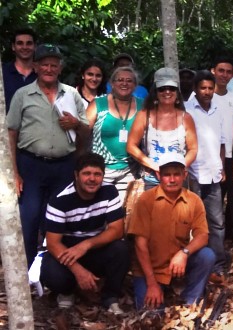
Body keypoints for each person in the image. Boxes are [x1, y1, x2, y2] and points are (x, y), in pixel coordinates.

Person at [8, 44, 90, 265]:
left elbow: (86, 130)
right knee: (29, 218)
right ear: (36, 66)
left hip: (64, 165)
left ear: (60, 68)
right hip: (31, 164)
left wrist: (75, 123)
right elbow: (11, 132)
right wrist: (14, 172)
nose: (49, 69)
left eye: (54, 65)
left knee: (58, 220)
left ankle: (51, 270)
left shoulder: (71, 94)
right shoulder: (22, 94)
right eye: (44, 64)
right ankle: (27, 270)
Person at [40, 153, 128, 314]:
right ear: (76, 175)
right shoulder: (60, 199)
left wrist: (86, 245)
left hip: (94, 246)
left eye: (97, 174)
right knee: (50, 271)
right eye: (86, 173)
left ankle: (110, 297)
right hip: (67, 251)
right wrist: (78, 270)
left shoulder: (109, 190)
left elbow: (117, 230)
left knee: (121, 249)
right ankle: (66, 292)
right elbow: (52, 243)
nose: (92, 179)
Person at [128, 152, 215, 311]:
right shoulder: (146, 200)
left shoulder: (194, 200)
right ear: (158, 175)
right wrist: (151, 283)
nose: (172, 179)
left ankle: (190, 300)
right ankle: (156, 288)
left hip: (176, 266)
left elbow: (203, 236)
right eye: (167, 175)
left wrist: (184, 253)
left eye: (177, 174)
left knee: (207, 255)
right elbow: (140, 245)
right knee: (152, 316)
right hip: (149, 270)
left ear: (184, 175)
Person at [184, 70, 228, 282]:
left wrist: (221, 166)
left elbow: (221, 141)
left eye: (210, 88)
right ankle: (194, 264)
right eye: (203, 88)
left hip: (213, 174)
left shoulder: (219, 110)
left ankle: (218, 265)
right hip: (193, 174)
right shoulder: (186, 110)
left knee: (217, 222)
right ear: (195, 89)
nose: (207, 92)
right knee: (191, 223)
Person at [126, 67, 198, 190]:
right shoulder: (144, 115)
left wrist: (179, 169)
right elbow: (131, 146)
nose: (167, 92)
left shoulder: (186, 118)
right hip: (152, 180)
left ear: (177, 91)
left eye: (171, 88)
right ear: (155, 92)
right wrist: (155, 167)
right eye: (162, 89)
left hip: (178, 180)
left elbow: (193, 149)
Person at [86, 66, 144, 201]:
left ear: (135, 85)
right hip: (100, 170)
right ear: (112, 83)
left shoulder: (142, 106)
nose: (124, 83)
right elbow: (83, 133)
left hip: (130, 171)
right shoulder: (99, 104)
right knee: (99, 212)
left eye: (129, 81)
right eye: (120, 80)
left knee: (125, 213)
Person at [210, 56, 233, 244]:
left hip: (230, 156)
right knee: (213, 196)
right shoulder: (202, 94)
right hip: (209, 156)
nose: (224, 75)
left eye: (228, 71)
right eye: (220, 70)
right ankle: (212, 236)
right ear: (213, 71)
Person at [2, 28, 37, 112]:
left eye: (29, 43)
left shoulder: (44, 73)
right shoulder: (3, 72)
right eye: (20, 43)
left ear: (35, 46)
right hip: (6, 124)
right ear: (13, 47)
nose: (24, 47)